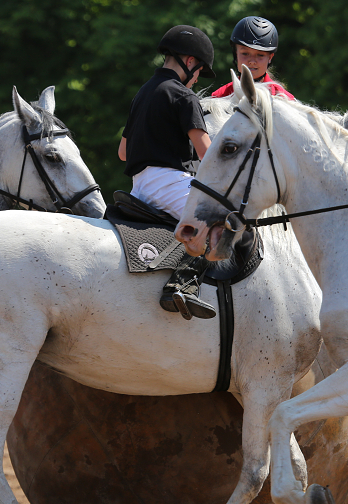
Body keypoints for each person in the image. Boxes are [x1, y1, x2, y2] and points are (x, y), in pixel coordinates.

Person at [118, 25, 217, 319]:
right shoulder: (184, 97)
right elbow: (207, 156)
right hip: (171, 184)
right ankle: (183, 284)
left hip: (138, 189)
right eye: (199, 70)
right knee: (226, 221)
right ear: (189, 62)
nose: (197, 78)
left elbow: (123, 152)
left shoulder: (143, 93)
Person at [211, 16, 295, 100]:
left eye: (260, 55)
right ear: (236, 53)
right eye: (245, 53)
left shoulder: (284, 99)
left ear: (270, 57)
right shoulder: (220, 96)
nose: (252, 61)